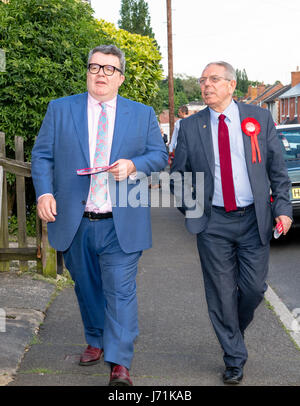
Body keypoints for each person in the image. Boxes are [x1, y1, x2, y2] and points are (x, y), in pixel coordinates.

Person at [31, 44, 168, 386]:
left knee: (120, 292)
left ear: (120, 77)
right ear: (87, 72)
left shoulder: (142, 114)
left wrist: (135, 164)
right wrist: (45, 192)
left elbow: (160, 155)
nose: (101, 75)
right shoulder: (61, 109)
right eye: (95, 67)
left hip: (121, 223)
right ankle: (95, 337)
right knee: (87, 288)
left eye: (109, 69)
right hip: (75, 222)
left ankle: (119, 363)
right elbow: (42, 156)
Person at [171, 61, 292, 384]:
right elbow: (178, 176)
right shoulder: (191, 126)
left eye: (213, 79)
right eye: (202, 80)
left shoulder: (259, 118)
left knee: (253, 289)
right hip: (213, 223)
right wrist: (192, 210)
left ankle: (230, 332)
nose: (205, 85)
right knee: (221, 294)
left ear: (230, 85)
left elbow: (277, 172)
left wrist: (283, 209)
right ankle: (234, 357)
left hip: (254, 219)